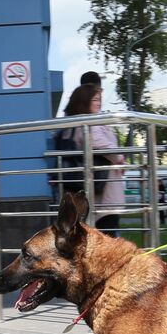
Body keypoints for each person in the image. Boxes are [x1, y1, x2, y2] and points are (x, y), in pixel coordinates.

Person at [63, 83, 124, 235]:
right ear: (85, 101)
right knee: (108, 236)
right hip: (104, 188)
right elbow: (97, 143)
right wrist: (119, 157)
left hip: (96, 187)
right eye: (96, 99)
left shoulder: (73, 123)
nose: (99, 103)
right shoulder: (91, 122)